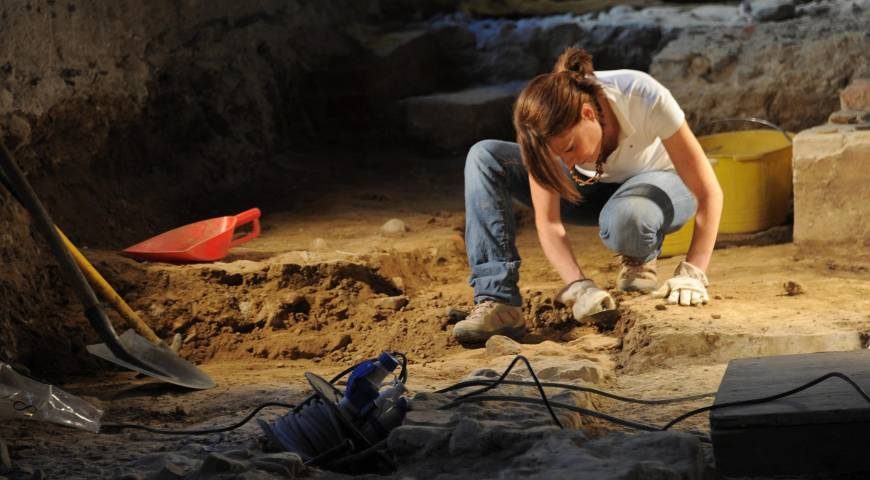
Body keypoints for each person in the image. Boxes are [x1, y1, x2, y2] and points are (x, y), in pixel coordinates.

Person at [453, 47, 723, 344]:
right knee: (485, 155)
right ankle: (499, 301)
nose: (566, 161)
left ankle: (639, 255)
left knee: (629, 216)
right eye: (557, 156)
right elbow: (549, 222)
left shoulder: (642, 94)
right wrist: (579, 286)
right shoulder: (543, 130)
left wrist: (693, 272)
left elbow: (709, 192)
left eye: (569, 148)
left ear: (588, 113)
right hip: (584, 192)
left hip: (657, 186)